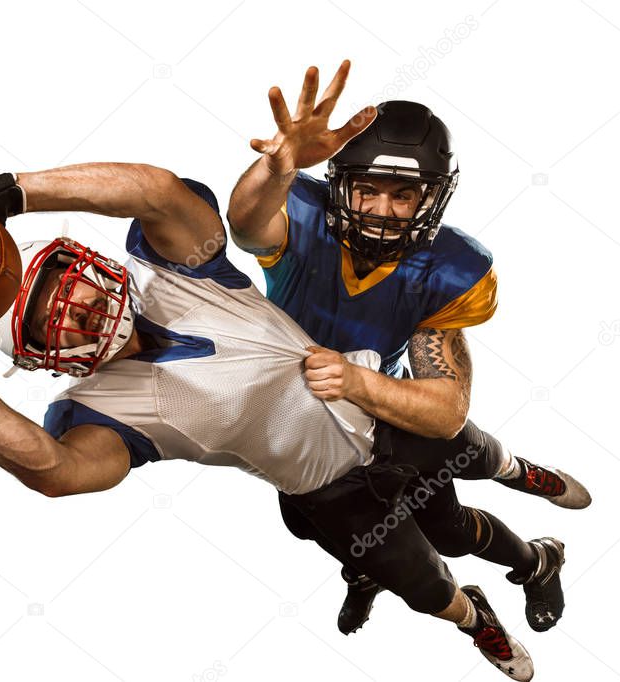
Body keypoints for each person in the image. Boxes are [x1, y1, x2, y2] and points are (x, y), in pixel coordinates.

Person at [0, 162, 533, 680]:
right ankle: (475, 619)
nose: (73, 311)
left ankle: (526, 513)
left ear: (89, 264)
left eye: (66, 287)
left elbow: (155, 189)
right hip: (331, 492)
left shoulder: (171, 265)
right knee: (425, 583)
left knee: (479, 457)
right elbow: (53, 471)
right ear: (44, 357)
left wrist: (2, 194)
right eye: (52, 319)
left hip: (381, 407)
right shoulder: (94, 412)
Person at [226, 61, 590, 635]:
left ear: (431, 198)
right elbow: (245, 223)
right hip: (298, 416)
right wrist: (279, 164)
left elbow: (445, 412)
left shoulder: (447, 270)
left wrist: (352, 381)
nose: (379, 209)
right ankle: (367, 573)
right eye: (366, 189)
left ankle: (537, 554)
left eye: (402, 195)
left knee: (446, 530)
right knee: (322, 523)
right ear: (339, 184)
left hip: (384, 416)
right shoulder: (300, 215)